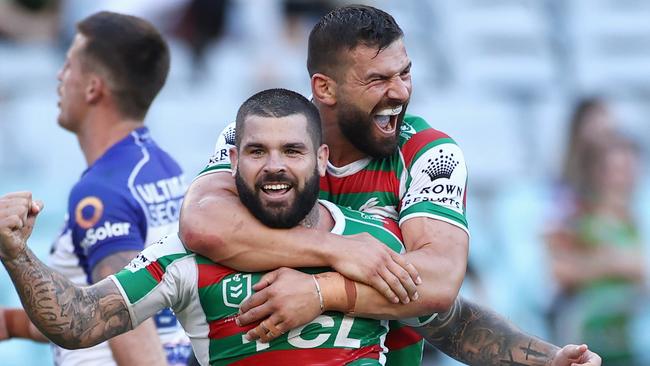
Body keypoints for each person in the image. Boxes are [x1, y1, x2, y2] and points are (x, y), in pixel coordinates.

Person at [0, 88, 601, 366]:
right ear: (232, 161)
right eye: (256, 152)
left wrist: (548, 360)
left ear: (320, 161)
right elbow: (80, 321)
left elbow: (453, 324)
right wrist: (15, 254)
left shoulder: (373, 242)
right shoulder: (187, 251)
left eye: (291, 150)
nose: (274, 167)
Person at [180, 5, 468, 364]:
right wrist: (340, 250)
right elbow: (201, 222)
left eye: (405, 73)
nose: (400, 92)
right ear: (325, 88)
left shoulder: (428, 153)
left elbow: (439, 280)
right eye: (378, 80)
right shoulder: (262, 137)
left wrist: (321, 292)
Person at [0, 11, 191, 365]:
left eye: (69, 65)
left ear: (93, 87)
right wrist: (11, 323)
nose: (59, 76)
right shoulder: (162, 166)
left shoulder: (101, 193)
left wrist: (13, 252)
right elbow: (87, 305)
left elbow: (118, 319)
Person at [547, 136, 646, 365]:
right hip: (588, 341)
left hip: (632, 342)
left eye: (631, 169)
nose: (627, 177)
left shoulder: (637, 218)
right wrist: (614, 263)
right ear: (599, 174)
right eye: (619, 170)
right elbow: (560, 270)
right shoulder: (578, 218)